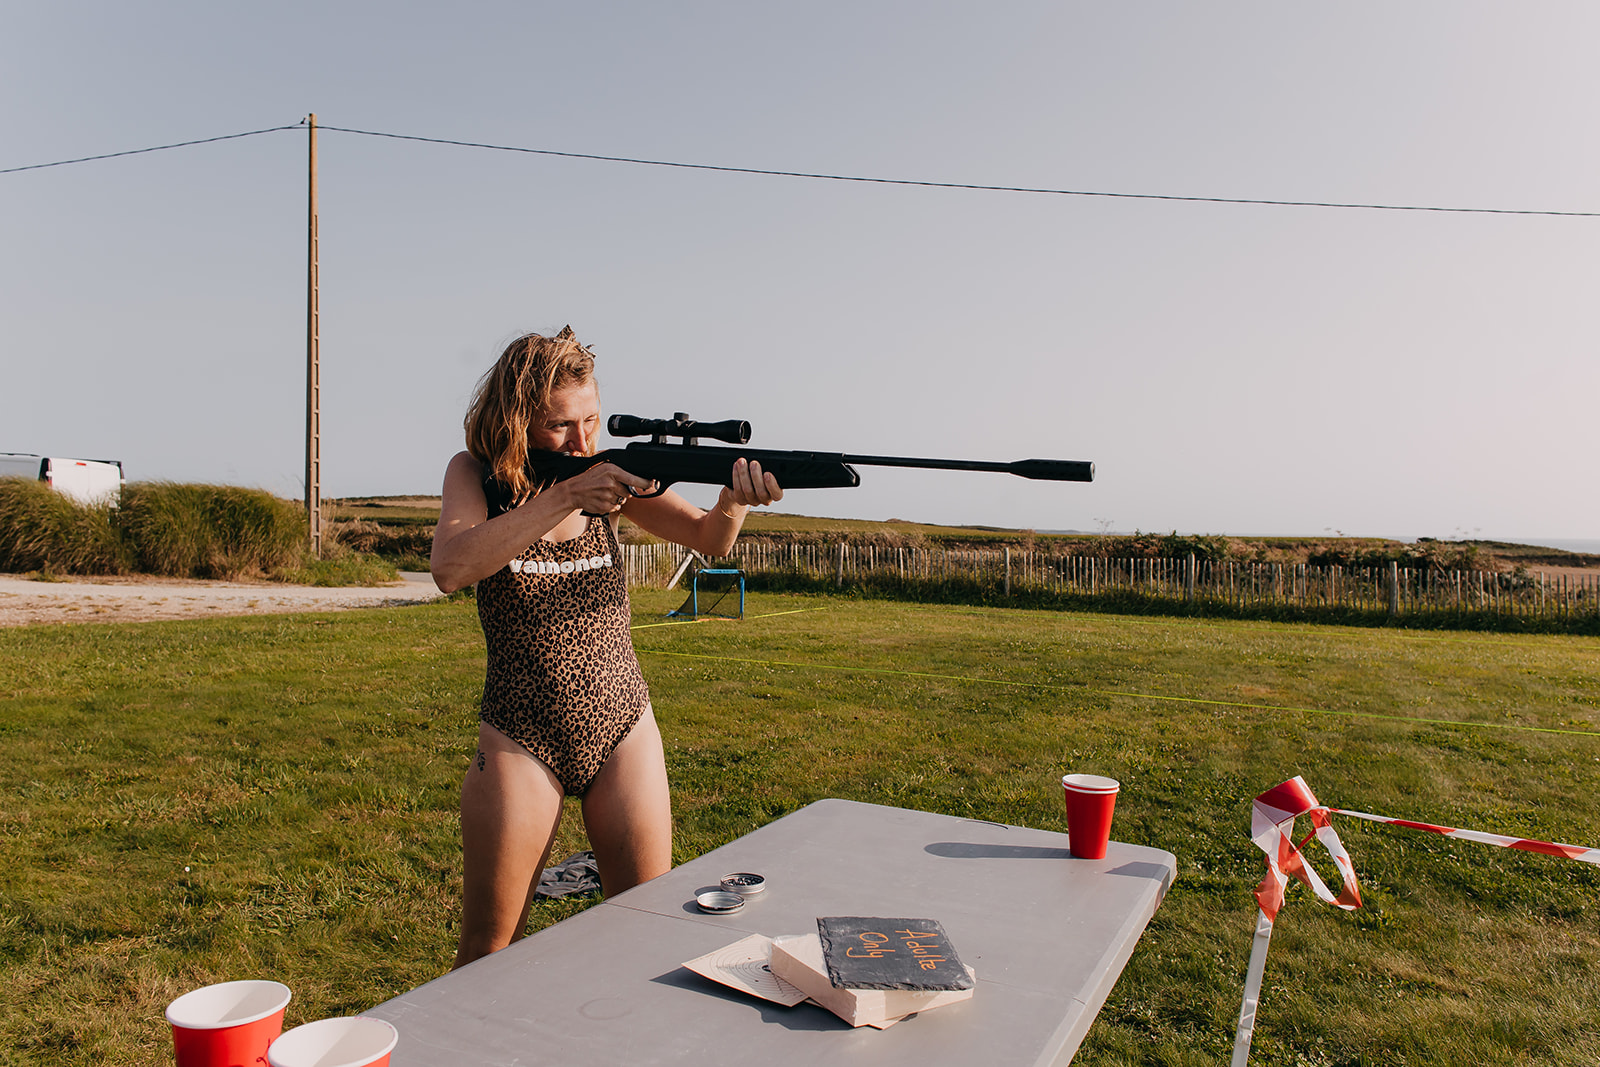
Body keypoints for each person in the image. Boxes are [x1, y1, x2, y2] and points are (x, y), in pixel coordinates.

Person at [430, 327, 782, 969]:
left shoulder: (611, 476)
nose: (584, 441)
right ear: (516, 421)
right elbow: (452, 568)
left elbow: (709, 540)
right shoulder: (477, 474)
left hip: (623, 723)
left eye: (591, 419)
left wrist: (734, 499)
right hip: (520, 732)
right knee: (487, 952)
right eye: (561, 425)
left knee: (648, 932)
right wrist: (565, 495)